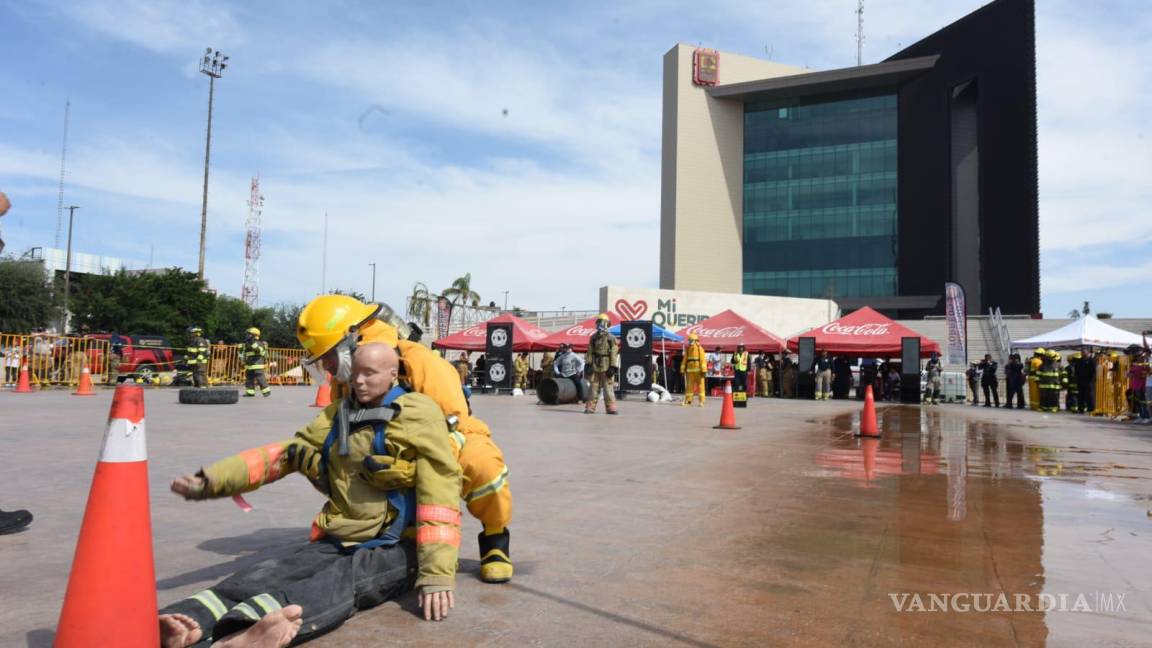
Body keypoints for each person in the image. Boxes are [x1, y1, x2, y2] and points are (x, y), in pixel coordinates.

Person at [160, 344, 461, 648]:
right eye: (355, 373)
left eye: (369, 374)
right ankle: (187, 619)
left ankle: (247, 632)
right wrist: (214, 480)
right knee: (269, 572)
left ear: (392, 373)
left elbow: (440, 493)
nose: (359, 381)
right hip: (340, 534)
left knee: (339, 582)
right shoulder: (338, 415)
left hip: (398, 545)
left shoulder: (418, 413)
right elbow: (285, 454)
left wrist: (437, 575)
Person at [296, 296, 513, 584]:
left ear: (353, 339)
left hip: (446, 438)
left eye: (330, 357)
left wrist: (414, 468)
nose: (327, 366)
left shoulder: (420, 362)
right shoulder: (344, 382)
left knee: (481, 464)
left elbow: (452, 425)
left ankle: (495, 541)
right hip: (386, 449)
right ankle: (398, 528)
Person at [584, 314, 619, 415]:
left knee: (608, 388)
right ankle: (590, 407)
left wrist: (612, 366)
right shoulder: (593, 337)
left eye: (602, 322)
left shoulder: (611, 338)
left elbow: (614, 352)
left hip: (607, 364)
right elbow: (590, 351)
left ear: (607, 324)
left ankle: (611, 408)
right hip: (595, 364)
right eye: (599, 322)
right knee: (593, 388)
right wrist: (588, 364)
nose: (600, 324)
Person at [242, 327, 272, 398]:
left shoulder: (259, 343)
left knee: (260, 379)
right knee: (249, 379)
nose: (247, 336)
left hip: (257, 365)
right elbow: (246, 353)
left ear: (254, 335)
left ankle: (266, 392)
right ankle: (250, 392)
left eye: (249, 334)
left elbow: (258, 350)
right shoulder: (248, 343)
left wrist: (252, 343)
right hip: (249, 365)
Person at [681, 333, 707, 406]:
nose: (689, 342)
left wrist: (704, 370)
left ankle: (701, 401)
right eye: (689, 340)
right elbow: (684, 359)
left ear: (695, 341)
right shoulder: (688, 349)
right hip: (690, 371)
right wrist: (682, 369)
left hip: (699, 371)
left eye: (691, 340)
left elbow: (703, 360)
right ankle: (688, 400)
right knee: (689, 386)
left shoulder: (700, 348)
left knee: (701, 386)